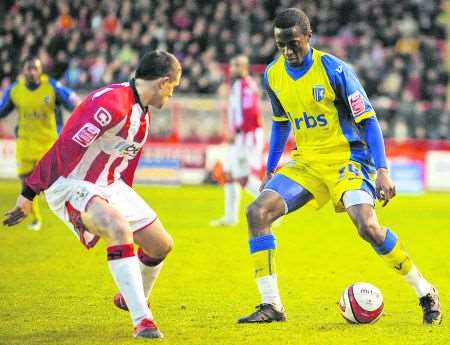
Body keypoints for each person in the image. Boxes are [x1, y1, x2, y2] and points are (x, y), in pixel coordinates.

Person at [238, 8, 442, 325]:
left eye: (294, 43)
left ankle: (425, 291)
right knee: (256, 212)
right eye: (281, 45)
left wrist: (383, 169)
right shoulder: (273, 75)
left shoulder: (334, 70)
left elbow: (369, 120)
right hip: (307, 162)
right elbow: (281, 124)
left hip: (348, 160)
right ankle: (272, 305)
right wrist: (270, 169)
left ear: (308, 37)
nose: (288, 51)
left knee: (367, 227)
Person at [3, 50, 182, 339]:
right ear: (163, 82)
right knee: (118, 228)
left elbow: (125, 164)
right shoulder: (112, 103)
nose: (172, 95)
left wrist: (124, 199)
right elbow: (66, 147)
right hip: (71, 184)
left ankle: (130, 297)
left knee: (161, 245)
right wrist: (28, 193)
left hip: (109, 185)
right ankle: (142, 319)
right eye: (173, 87)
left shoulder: (142, 114)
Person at [0, 57, 80, 231]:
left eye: (35, 68)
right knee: (26, 184)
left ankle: (75, 217)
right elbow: (2, 109)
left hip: (47, 144)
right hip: (25, 143)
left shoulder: (51, 86)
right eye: (28, 68)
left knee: (53, 186)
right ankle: (36, 219)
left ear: (40, 70)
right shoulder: (15, 90)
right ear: (23, 70)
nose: (32, 72)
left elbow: (72, 102)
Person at [210, 55, 265, 227]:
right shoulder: (238, 86)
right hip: (240, 136)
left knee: (241, 177)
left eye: (236, 66)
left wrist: (239, 130)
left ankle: (272, 206)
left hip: (245, 137)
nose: (232, 69)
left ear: (244, 68)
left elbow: (250, 112)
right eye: (232, 66)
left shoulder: (246, 86)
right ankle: (230, 217)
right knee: (228, 174)